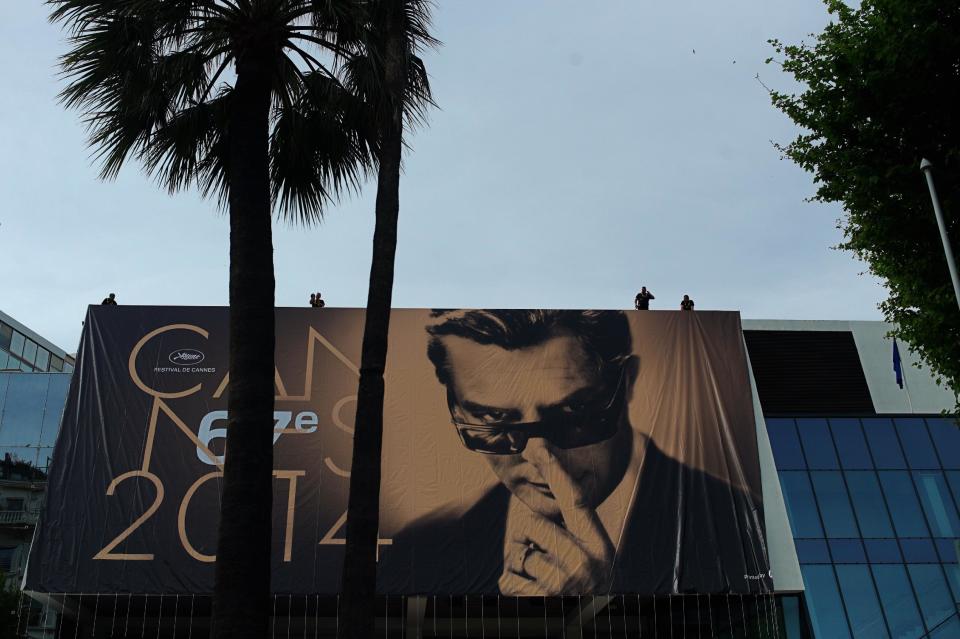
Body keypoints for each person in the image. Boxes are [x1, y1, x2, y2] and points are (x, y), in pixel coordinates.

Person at [377, 309, 770, 595]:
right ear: (456, 410)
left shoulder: (740, 531)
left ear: (627, 383)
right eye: (494, 421)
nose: (539, 457)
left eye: (574, 414)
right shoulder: (419, 550)